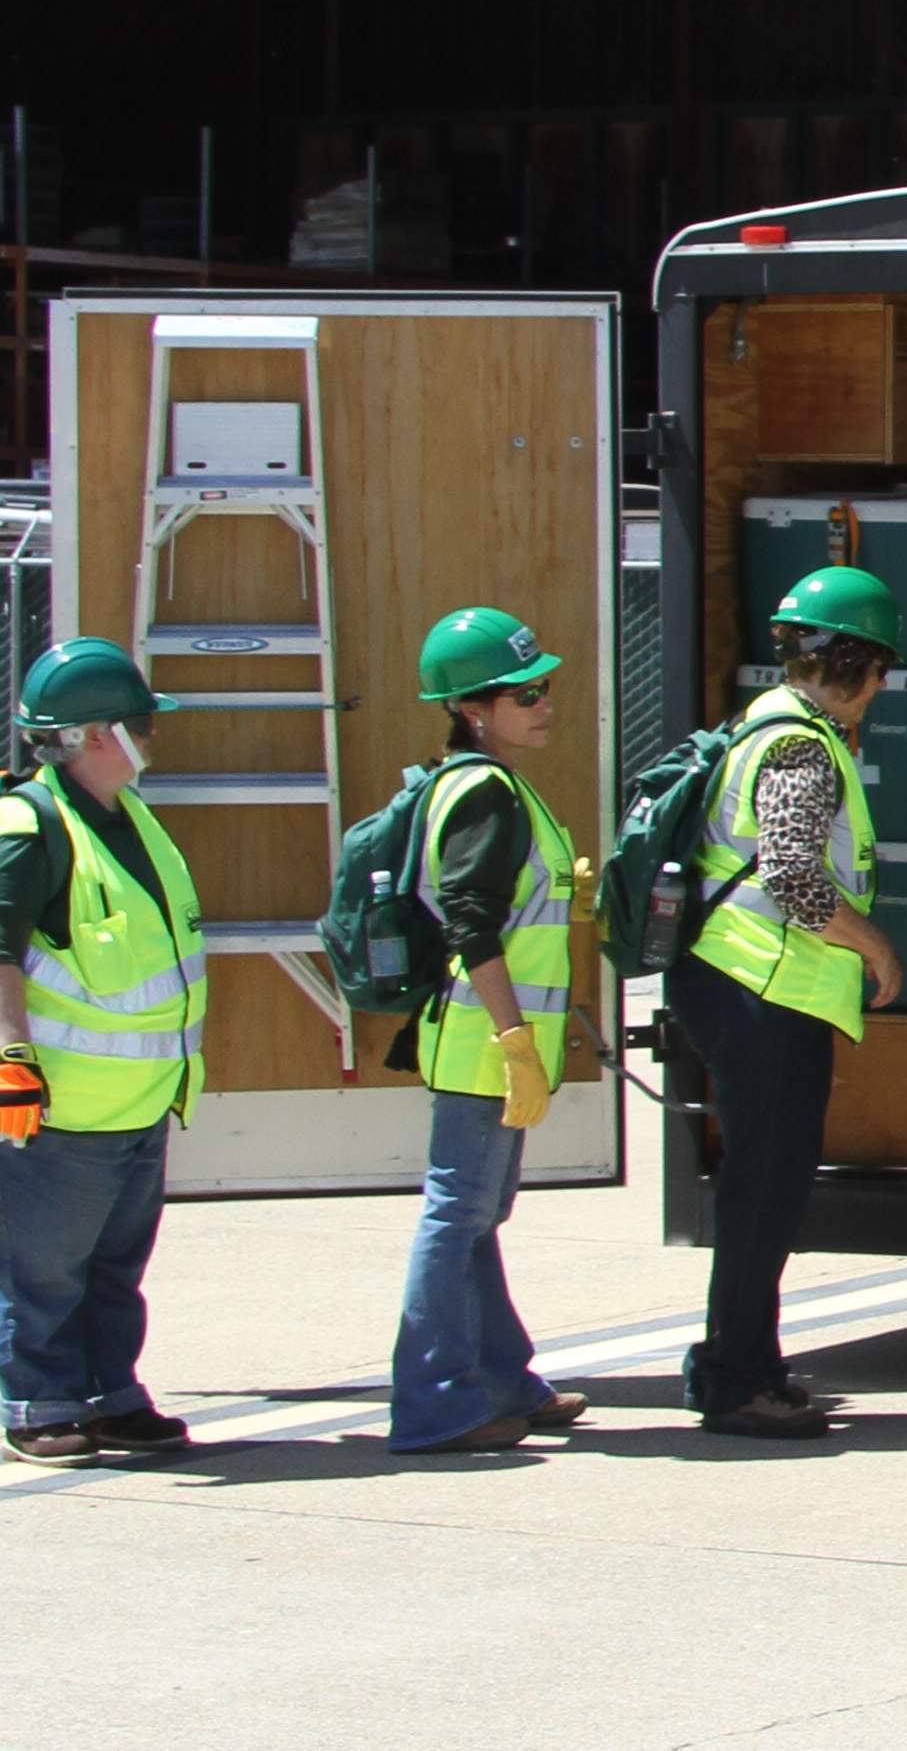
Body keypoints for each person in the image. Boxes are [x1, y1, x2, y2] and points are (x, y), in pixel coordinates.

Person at [0, 637, 209, 1468]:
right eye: (141, 721)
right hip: (53, 1104)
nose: (152, 734)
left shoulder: (128, 817)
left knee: (112, 1267)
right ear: (96, 733)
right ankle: (40, 1405)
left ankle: (109, 1396)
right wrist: (13, 1061)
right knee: (44, 1266)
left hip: (133, 1100)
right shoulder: (28, 824)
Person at [671, 565, 906, 1441]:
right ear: (856, 664)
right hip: (762, 989)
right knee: (763, 1192)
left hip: (744, 984)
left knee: (760, 1187)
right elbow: (795, 876)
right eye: (878, 670)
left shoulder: (763, 725)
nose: (878, 689)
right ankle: (737, 1377)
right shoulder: (801, 745)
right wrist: (875, 943)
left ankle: (746, 1363)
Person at [385, 608, 592, 1454]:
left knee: (477, 1214)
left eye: (544, 686)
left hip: (489, 1039)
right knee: (457, 1216)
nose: (546, 704)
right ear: (474, 709)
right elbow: (472, 922)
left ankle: (501, 1377)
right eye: (526, 693)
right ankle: (433, 1403)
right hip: (483, 1042)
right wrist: (514, 1039)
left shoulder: (490, 783)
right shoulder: (483, 791)